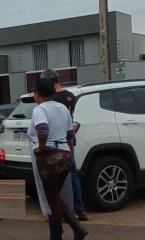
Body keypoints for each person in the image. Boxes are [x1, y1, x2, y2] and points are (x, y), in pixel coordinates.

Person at [28, 76, 88, 239]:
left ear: (37, 93)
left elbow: (42, 129)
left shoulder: (40, 109)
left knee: (52, 199)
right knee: (55, 196)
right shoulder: (62, 108)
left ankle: (71, 231)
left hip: (49, 159)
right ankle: (67, 232)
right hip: (65, 156)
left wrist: (40, 149)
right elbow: (70, 134)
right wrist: (67, 153)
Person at [49, 69, 88, 221]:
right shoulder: (70, 96)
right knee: (72, 175)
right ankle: (80, 209)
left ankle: (63, 211)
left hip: (55, 142)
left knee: (56, 178)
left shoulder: (50, 99)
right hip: (69, 140)